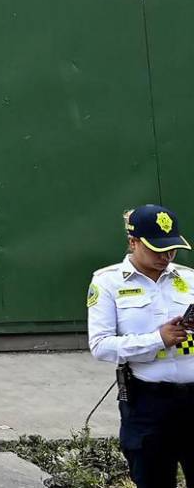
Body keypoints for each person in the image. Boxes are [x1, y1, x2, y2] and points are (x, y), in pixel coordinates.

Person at [87, 204, 194, 488]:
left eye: (172, 249)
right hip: (148, 404)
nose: (166, 256)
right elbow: (100, 345)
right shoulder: (108, 282)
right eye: (157, 249)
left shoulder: (189, 278)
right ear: (133, 242)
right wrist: (158, 339)